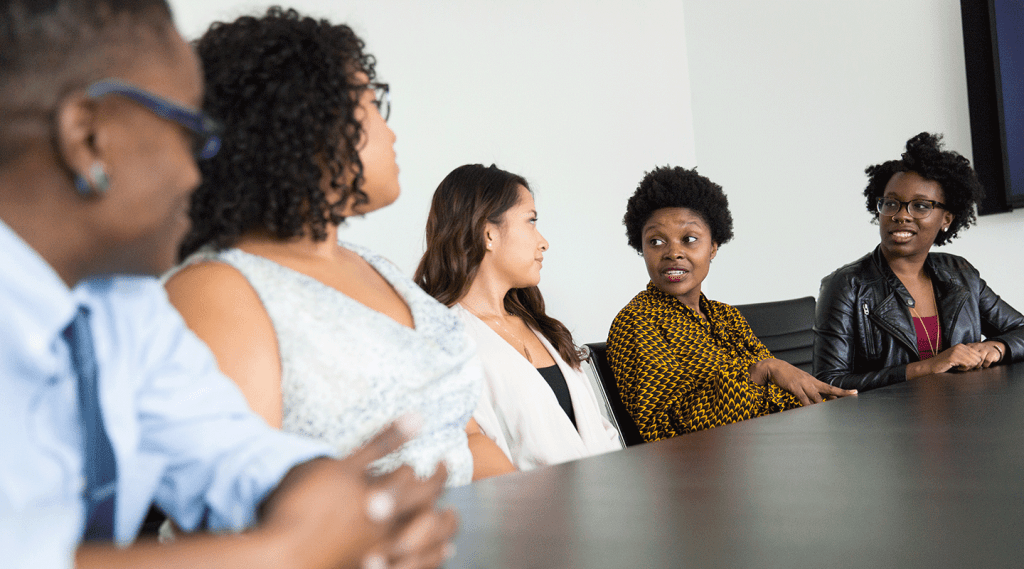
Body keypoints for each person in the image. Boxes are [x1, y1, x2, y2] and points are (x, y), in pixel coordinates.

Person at [0, 1, 456, 567]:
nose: (201, 171)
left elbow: (228, 451)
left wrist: (340, 503)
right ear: (87, 138)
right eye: (192, 130)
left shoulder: (123, 305)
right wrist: (282, 553)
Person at [163, 8, 513, 484]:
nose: (390, 131)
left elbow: (463, 437)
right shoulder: (217, 290)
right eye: (372, 103)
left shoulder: (378, 268)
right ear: (306, 120)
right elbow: (240, 519)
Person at [606, 166, 855, 442]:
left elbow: (778, 389)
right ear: (642, 249)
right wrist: (758, 372)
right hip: (700, 474)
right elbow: (663, 430)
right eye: (656, 241)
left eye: (689, 239)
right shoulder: (636, 323)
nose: (673, 252)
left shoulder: (726, 316)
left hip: (768, 446)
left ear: (713, 247)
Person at [413, 164, 623, 470]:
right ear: (488, 234)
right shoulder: (444, 340)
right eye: (531, 221)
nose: (543, 242)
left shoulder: (541, 328)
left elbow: (600, 432)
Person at [814, 132, 1024, 391]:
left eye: (921, 206)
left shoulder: (960, 274)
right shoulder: (847, 285)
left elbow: (1020, 330)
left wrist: (997, 346)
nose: (901, 216)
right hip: (887, 426)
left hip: (965, 415)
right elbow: (828, 383)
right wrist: (926, 368)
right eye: (891, 203)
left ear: (946, 219)